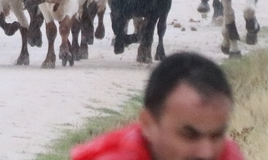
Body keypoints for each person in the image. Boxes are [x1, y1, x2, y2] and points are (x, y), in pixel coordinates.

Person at [71, 52, 244, 160]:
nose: (206, 153)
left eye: (216, 135)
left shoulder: (228, 155)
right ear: (148, 125)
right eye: (189, 135)